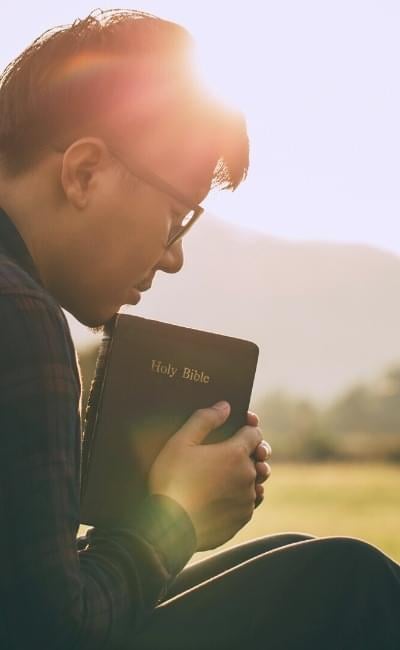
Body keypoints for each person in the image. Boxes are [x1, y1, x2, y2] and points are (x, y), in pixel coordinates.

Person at [0, 9, 398, 650]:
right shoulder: (19, 314)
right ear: (84, 173)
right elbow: (53, 633)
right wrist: (174, 517)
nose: (173, 256)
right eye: (176, 218)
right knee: (346, 581)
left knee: (294, 552)